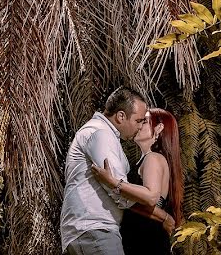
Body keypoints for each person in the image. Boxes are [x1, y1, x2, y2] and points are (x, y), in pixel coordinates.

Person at [60, 88, 175, 255]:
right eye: (138, 121)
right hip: (95, 230)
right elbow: (121, 195)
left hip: (92, 231)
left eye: (144, 122)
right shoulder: (101, 134)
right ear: (121, 116)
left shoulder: (104, 135)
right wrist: (162, 215)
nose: (140, 126)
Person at [91, 108, 184, 254]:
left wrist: (112, 182)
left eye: (144, 121)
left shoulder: (153, 159)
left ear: (159, 128)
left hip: (146, 238)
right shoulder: (146, 160)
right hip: (144, 235)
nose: (139, 125)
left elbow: (148, 200)